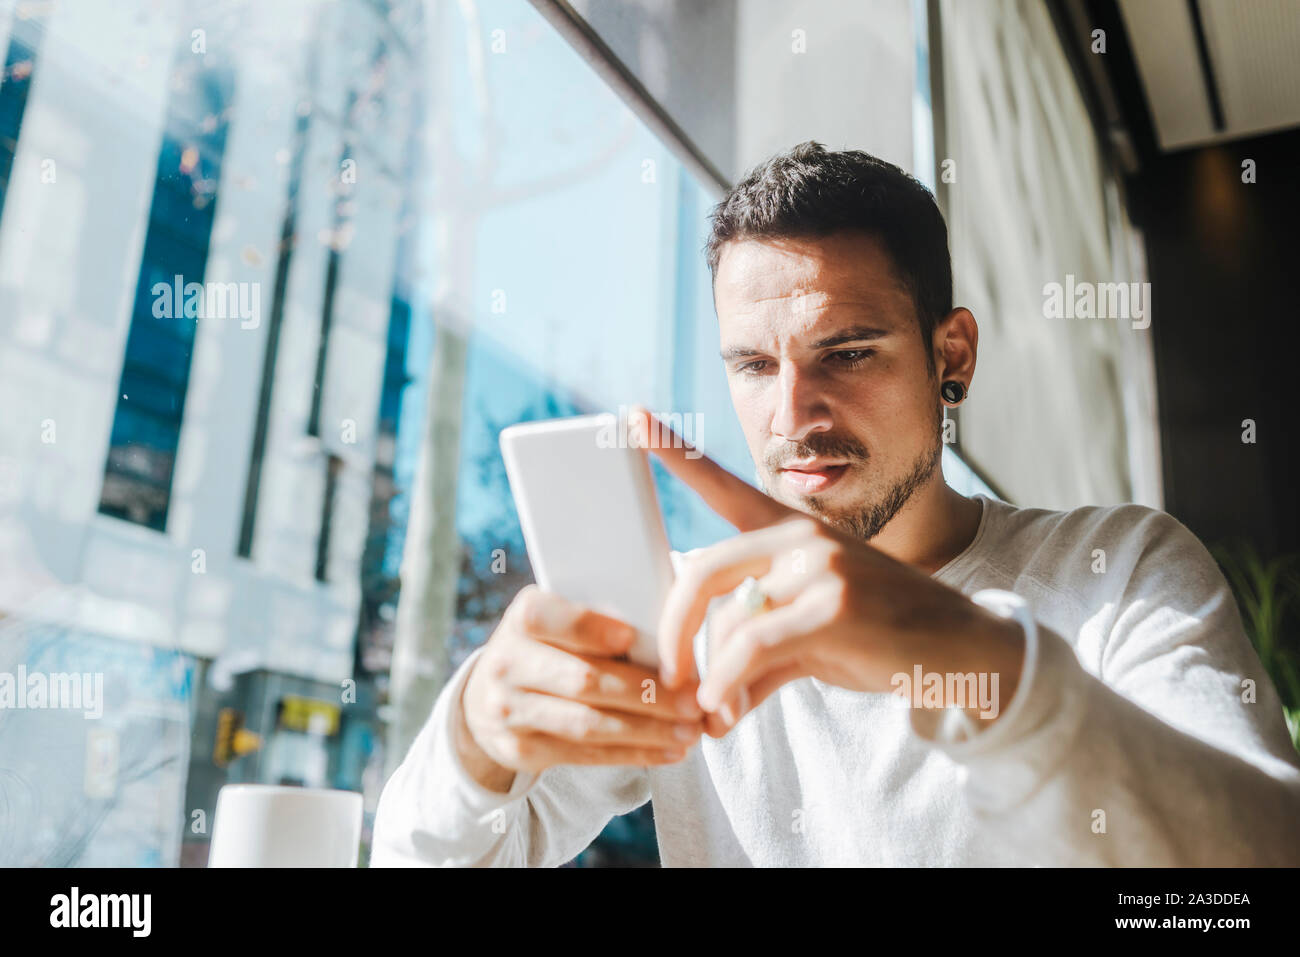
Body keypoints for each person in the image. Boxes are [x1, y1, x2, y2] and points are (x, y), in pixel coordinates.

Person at [371, 142, 1300, 866]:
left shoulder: (1119, 572)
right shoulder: (688, 617)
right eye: (753, 365)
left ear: (953, 357)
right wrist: (473, 741)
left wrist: (965, 656)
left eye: (847, 352)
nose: (793, 415)